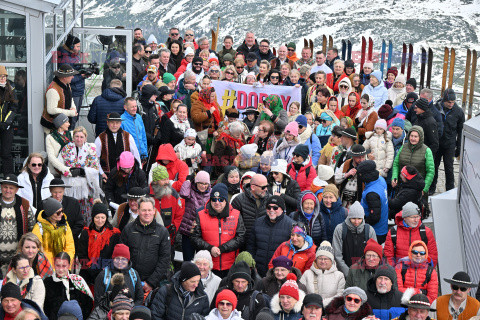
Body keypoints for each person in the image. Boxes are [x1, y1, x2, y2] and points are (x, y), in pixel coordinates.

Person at [191, 183, 246, 278]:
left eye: (221, 200)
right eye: (214, 199)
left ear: (226, 201)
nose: (217, 202)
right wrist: (210, 248)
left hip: (230, 265)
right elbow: (194, 237)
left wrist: (223, 248)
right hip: (207, 266)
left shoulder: (236, 214)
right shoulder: (201, 214)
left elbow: (241, 237)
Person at [121, 196, 171, 292]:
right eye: (144, 210)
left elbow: (164, 260)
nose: (147, 213)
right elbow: (122, 256)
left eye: (149, 210)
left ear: (154, 211)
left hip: (153, 285)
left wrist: (151, 282)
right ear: (138, 211)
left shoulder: (162, 232)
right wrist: (127, 278)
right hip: (130, 281)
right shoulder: (128, 229)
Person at [58, 126, 102, 226]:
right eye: (76, 136)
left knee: (85, 213)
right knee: (70, 211)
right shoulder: (66, 148)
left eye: (81, 137)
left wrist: (83, 171)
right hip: (70, 186)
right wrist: (68, 171)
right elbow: (59, 164)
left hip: (85, 187)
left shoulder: (91, 149)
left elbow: (95, 168)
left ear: (85, 138)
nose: (79, 139)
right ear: (73, 137)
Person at [247, 195, 294, 277]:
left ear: (282, 209)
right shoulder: (258, 222)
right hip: (258, 270)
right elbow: (251, 246)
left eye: (275, 208)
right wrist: (252, 265)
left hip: (279, 272)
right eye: (269, 207)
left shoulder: (291, 225)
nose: (271, 210)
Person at [78, 201, 121, 285]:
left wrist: (104, 269)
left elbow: (115, 255)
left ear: (106, 218)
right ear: (93, 217)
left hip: (107, 272)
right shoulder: (86, 233)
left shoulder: (114, 234)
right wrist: (91, 269)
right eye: (97, 217)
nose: (100, 220)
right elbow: (81, 255)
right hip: (88, 272)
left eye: (103, 217)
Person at [431, 89, 464, 193]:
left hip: (450, 144)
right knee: (434, 167)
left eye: (453, 102)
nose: (451, 104)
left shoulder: (459, 112)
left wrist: (459, 148)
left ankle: (449, 191)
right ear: (444, 100)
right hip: (437, 143)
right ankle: (432, 188)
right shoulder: (435, 108)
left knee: (449, 168)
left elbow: (461, 131)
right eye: (449, 102)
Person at [384, 202, 438, 267]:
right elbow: (388, 255)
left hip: (420, 271)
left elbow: (433, 254)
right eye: (413, 217)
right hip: (400, 272)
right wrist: (394, 272)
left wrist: (426, 271)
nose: (416, 220)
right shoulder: (393, 232)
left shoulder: (426, 231)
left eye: (418, 217)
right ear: (405, 218)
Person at [43, 252, 93, 320]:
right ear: (54, 264)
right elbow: (45, 306)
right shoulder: (47, 282)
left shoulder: (77, 280)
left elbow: (88, 303)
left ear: (69, 265)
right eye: (58, 265)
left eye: (64, 266)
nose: (60, 269)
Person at [332, 201, 377, 276]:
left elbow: (374, 254)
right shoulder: (340, 229)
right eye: (353, 218)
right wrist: (349, 273)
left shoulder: (369, 230)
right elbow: (337, 255)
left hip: (364, 273)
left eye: (359, 219)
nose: (356, 222)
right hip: (344, 273)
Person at [92, 243, 143, 309]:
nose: (120, 262)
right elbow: (98, 300)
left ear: (128, 260)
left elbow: (140, 297)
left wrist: (131, 310)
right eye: (117, 258)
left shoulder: (134, 274)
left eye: (123, 259)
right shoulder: (103, 275)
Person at [95, 113, 140, 181]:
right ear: (107, 123)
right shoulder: (100, 138)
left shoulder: (128, 136)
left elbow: (135, 155)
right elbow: (95, 158)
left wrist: (138, 170)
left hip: (125, 176)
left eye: (117, 123)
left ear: (120, 123)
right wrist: (102, 173)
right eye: (112, 123)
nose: (114, 125)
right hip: (107, 177)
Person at [391, 126, 434, 196]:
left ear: (420, 137)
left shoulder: (427, 150)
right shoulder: (403, 147)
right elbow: (396, 164)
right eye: (411, 136)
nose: (413, 139)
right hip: (402, 187)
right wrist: (394, 177)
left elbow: (430, 171)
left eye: (416, 136)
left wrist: (424, 189)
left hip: (418, 189)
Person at [32, 197, 75, 267]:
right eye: (58, 213)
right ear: (50, 213)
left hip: (63, 267)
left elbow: (70, 247)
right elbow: (37, 250)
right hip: (46, 268)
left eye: (62, 211)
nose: (61, 214)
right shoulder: (39, 228)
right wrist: (48, 266)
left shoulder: (65, 226)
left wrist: (65, 262)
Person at [300, 241, 345, 306]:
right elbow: (301, 293)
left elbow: (340, 295)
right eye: (320, 258)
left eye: (326, 259)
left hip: (331, 309)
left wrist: (322, 303)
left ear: (331, 260)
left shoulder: (339, 275)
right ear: (316, 260)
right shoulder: (307, 273)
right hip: (310, 307)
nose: (323, 261)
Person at [356, 160, 389, 244]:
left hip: (374, 232)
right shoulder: (380, 179)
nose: (359, 176)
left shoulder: (372, 194)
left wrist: (361, 224)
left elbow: (374, 217)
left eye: (360, 174)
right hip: (382, 227)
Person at [231, 173, 270, 240]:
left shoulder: (270, 200)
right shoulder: (239, 200)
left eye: (267, 186)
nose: (266, 189)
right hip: (244, 243)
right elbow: (233, 225)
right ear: (253, 187)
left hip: (264, 241)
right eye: (263, 187)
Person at [46, 179, 83, 248]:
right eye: (55, 192)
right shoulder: (43, 204)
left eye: (60, 192)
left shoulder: (73, 203)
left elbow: (79, 222)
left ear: (64, 190)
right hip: (50, 244)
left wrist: (68, 237)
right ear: (50, 191)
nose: (57, 195)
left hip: (70, 243)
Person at [41, 64, 78, 132]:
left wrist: (73, 108)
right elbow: (51, 110)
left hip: (63, 125)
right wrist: (71, 113)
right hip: (53, 127)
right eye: (71, 75)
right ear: (64, 77)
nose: (73, 77)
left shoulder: (66, 84)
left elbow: (70, 98)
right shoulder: (53, 90)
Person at [335, 144, 367, 208]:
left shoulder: (367, 166)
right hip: (343, 201)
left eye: (363, 157)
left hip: (358, 202)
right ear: (353, 156)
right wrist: (347, 174)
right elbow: (336, 180)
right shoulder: (346, 164)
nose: (361, 160)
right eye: (359, 157)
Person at [0, 65, 16, 175]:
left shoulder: (11, 89)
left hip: (6, 127)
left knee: (6, 153)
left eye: (4, 76)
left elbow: (14, 108)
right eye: (0, 76)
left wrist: (6, 123)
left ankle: (8, 179)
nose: (2, 79)